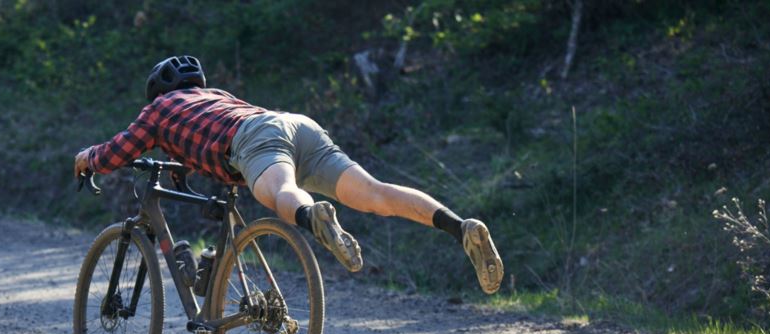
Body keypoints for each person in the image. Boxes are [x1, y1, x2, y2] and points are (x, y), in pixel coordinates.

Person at [73, 56, 504, 294]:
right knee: (376, 194)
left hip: (255, 139)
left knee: (280, 193)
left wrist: (87, 158)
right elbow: (196, 154)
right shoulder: (215, 98)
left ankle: (315, 216)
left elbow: (118, 152)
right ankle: (459, 226)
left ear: (157, 94)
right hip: (296, 125)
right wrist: (183, 178)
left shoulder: (159, 110)